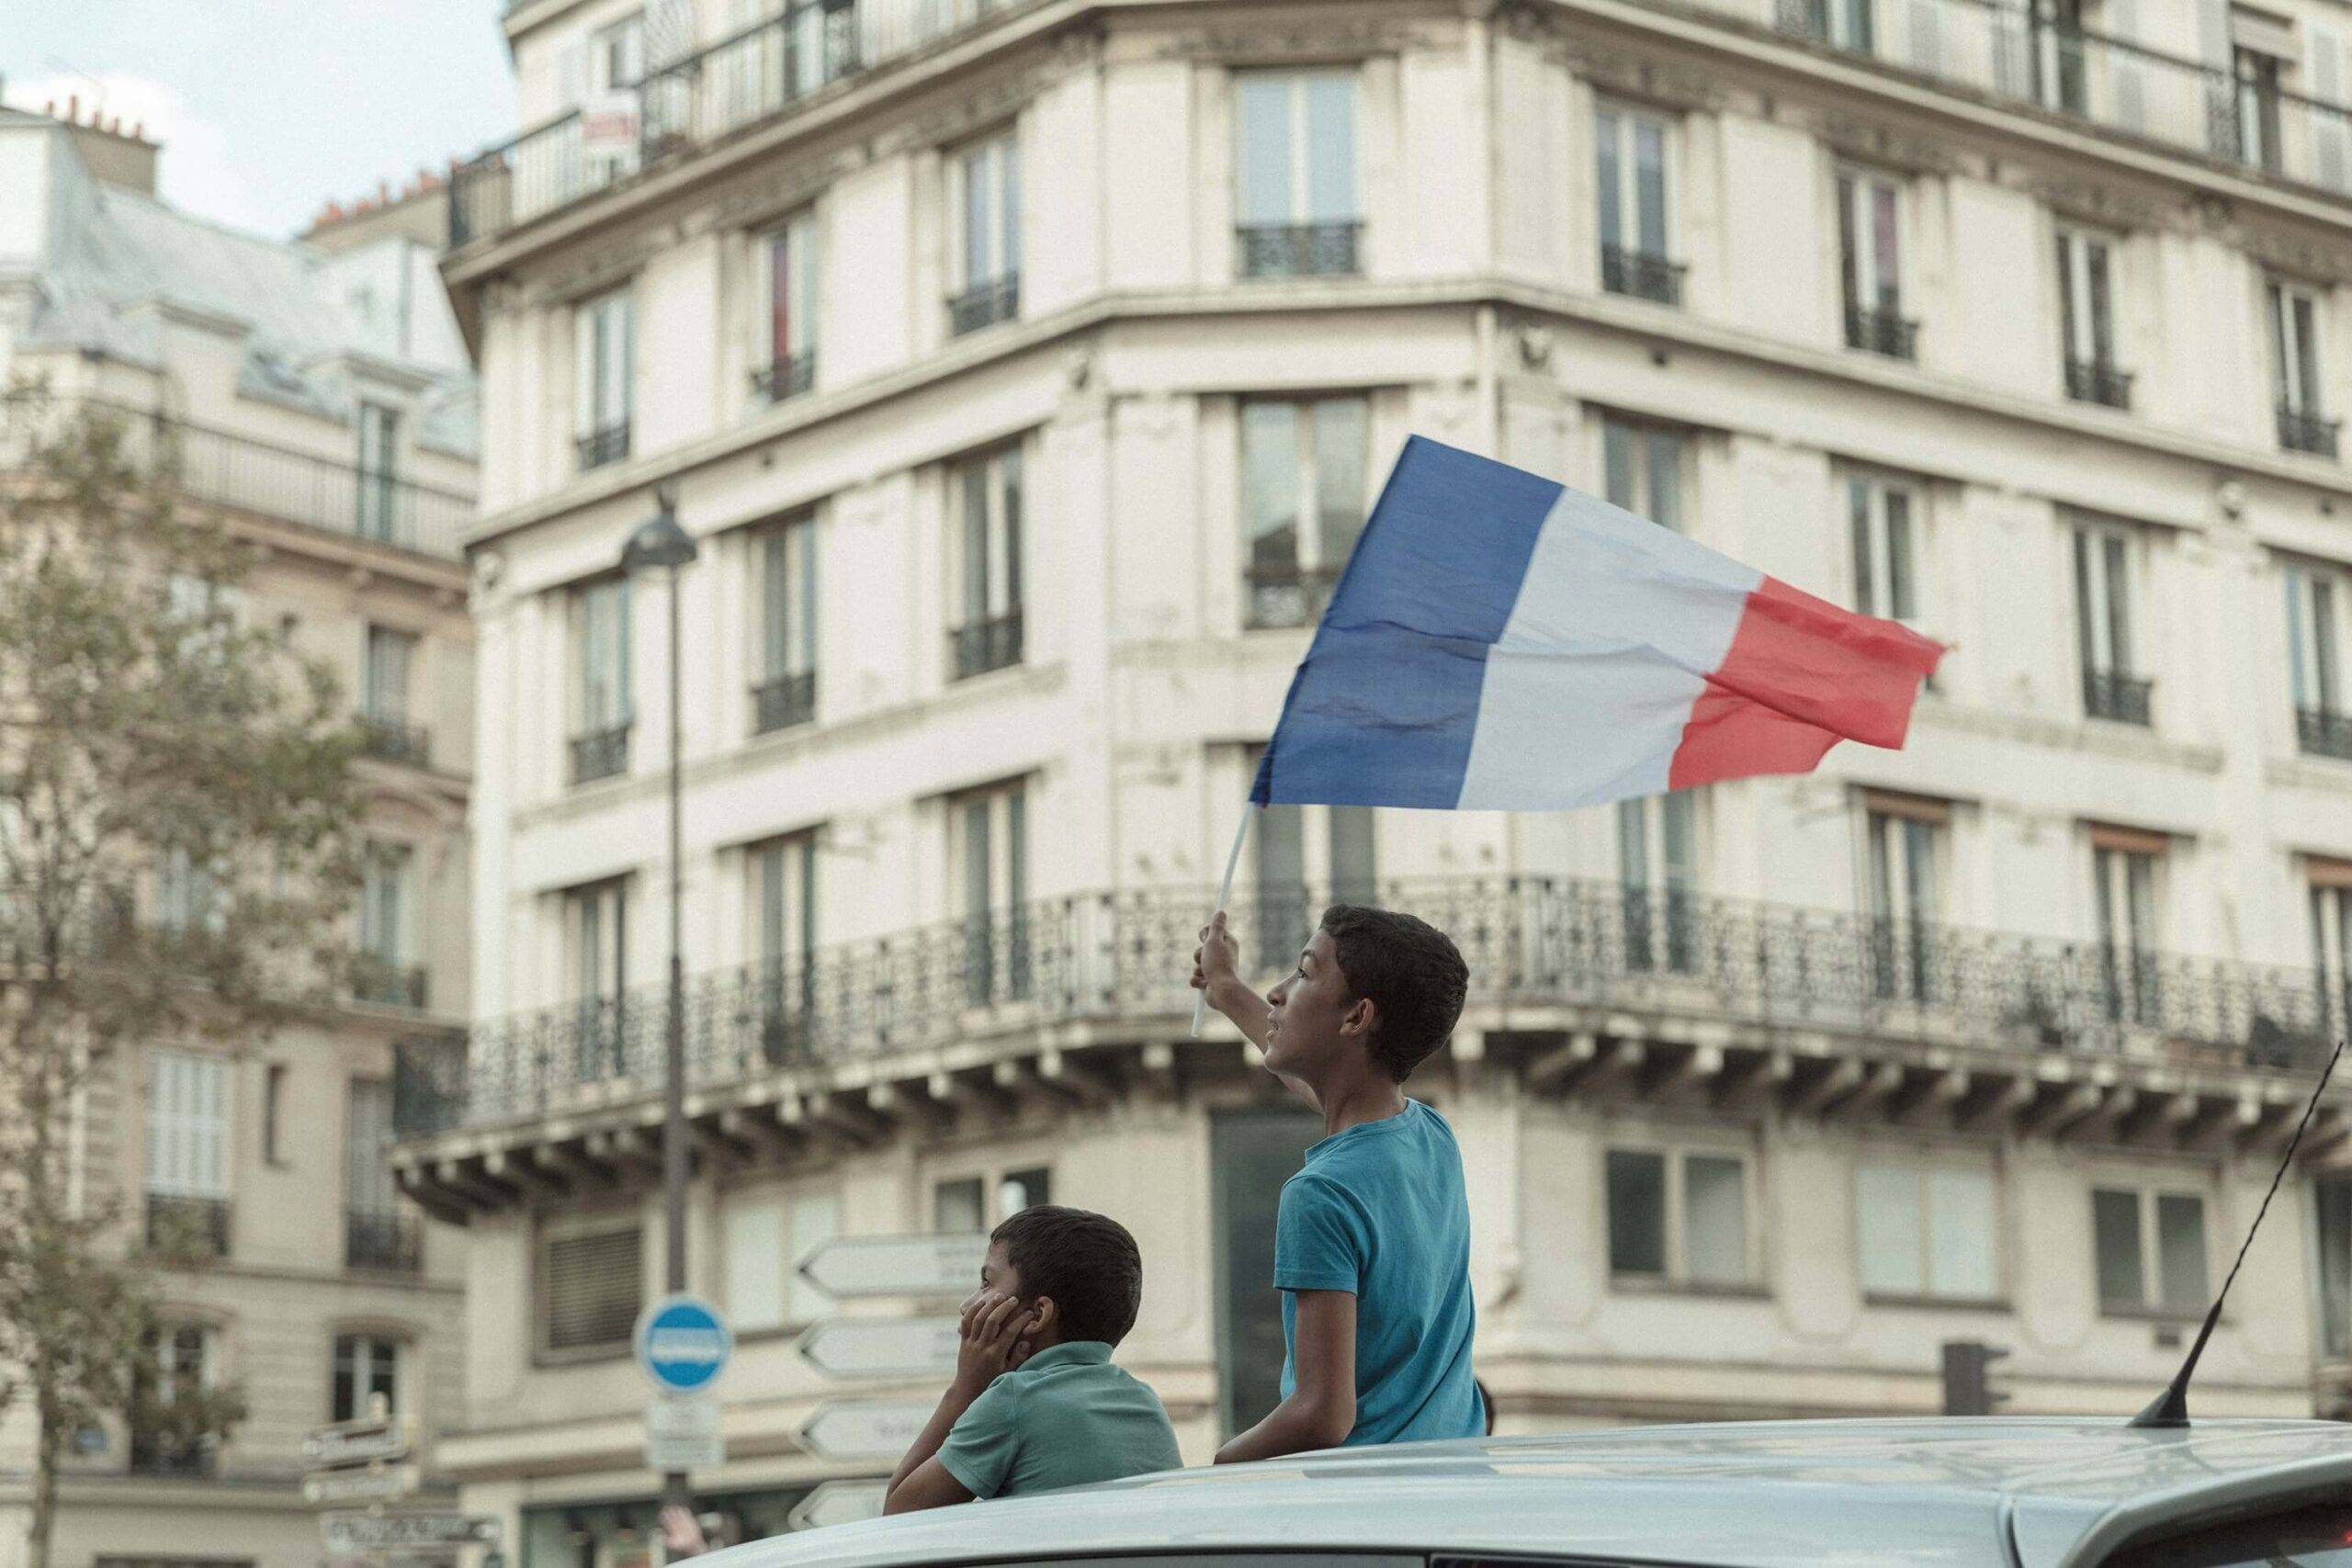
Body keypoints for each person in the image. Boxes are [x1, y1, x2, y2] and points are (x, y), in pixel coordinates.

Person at [1193, 903, 1483, 1459]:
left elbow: (1322, 1414)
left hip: (1364, 1514)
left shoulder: (1319, 1193)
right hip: (1456, 1484)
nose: (1277, 992)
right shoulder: (1428, 1136)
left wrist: (1218, 1469)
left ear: (1357, 1018)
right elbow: (1334, 1094)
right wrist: (1228, 989)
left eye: (1302, 973)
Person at [884, 1205, 1182, 1512]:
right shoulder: (1144, 1402)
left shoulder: (1015, 1399)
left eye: (986, 1282)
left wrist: (965, 1389)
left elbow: (898, 1514)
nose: (967, 1305)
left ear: (1037, 1315)